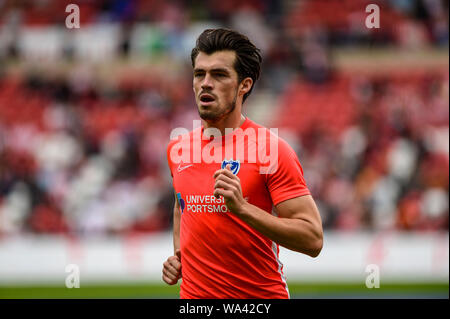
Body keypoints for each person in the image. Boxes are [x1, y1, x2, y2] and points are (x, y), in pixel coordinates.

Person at [162, 28, 323, 299]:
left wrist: (243, 209)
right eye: (199, 74)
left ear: (244, 85)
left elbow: (312, 238)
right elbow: (182, 206)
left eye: (219, 74)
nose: (206, 83)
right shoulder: (178, 147)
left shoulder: (272, 150)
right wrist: (179, 257)